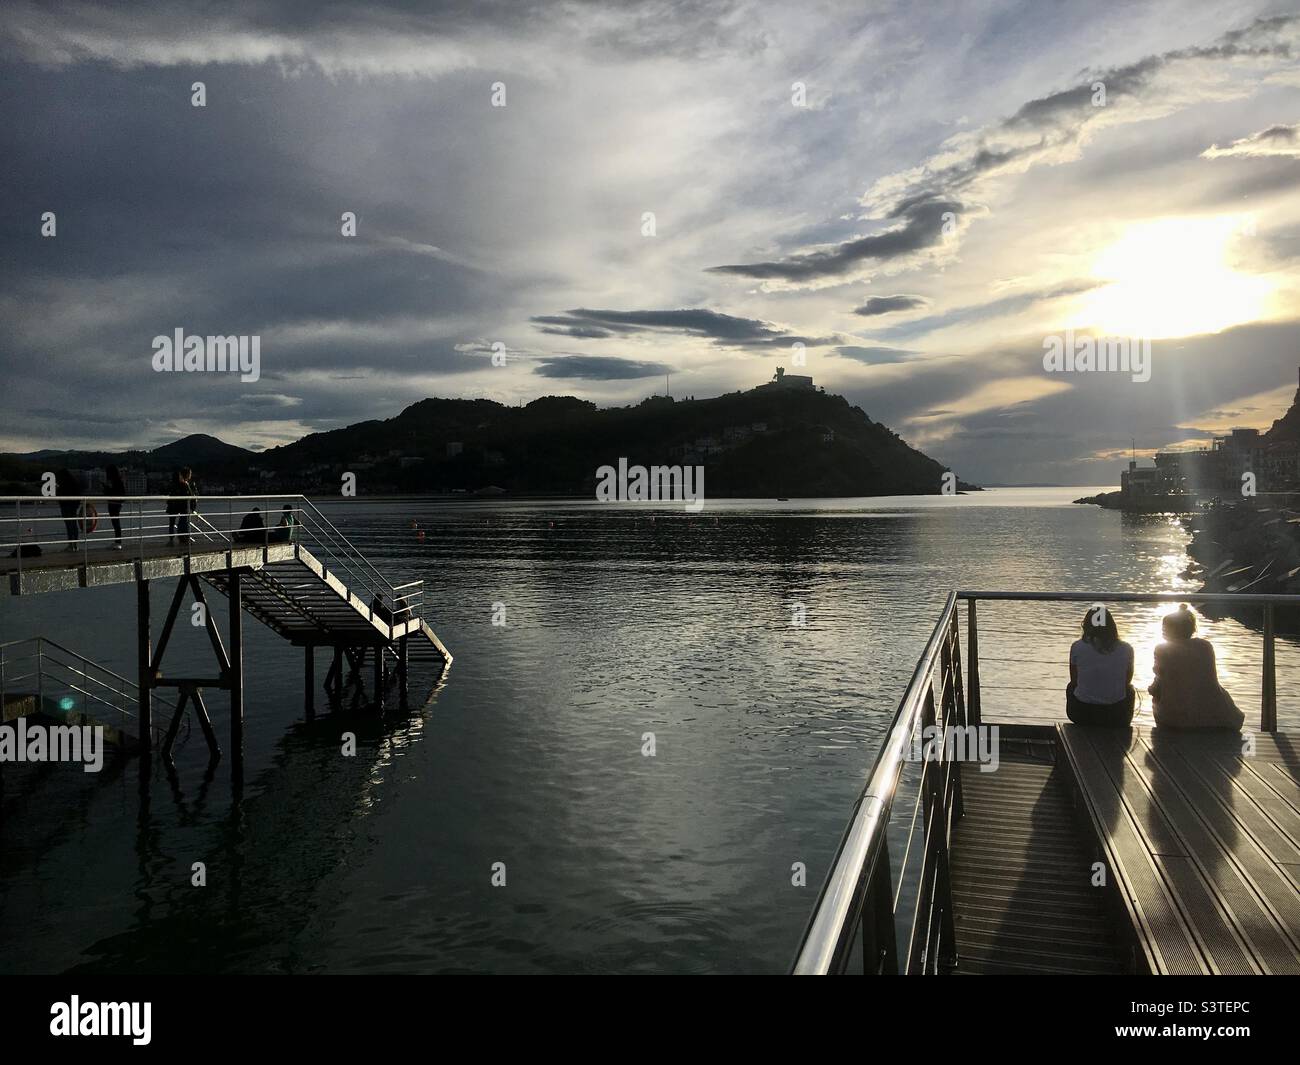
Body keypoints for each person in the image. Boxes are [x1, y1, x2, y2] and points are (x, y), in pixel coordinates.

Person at [1149, 604, 1244, 730]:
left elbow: (1159, 682)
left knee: (1157, 695)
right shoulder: (1205, 646)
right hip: (1216, 716)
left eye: (1164, 628)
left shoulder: (1162, 649)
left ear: (1168, 630)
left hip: (1176, 720)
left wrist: (1152, 689)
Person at [1066, 605, 1136, 726]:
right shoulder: (1126, 648)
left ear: (1086, 626)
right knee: (1129, 689)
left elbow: (1074, 680)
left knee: (1070, 687)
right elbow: (1127, 680)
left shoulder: (1077, 646)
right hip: (1116, 715)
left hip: (1082, 714)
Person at [165, 467, 197, 544]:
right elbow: (190, 495)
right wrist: (193, 507)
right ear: (187, 474)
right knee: (183, 522)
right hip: (181, 506)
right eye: (190, 474)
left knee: (173, 523)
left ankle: (172, 540)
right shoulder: (184, 484)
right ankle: (183, 538)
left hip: (173, 506)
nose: (190, 475)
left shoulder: (175, 483)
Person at [54, 468, 83, 549]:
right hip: (73, 506)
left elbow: (59, 495)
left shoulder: (63, 484)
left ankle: (71, 544)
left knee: (69, 525)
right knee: (73, 524)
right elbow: (79, 495)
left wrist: (57, 489)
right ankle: (75, 544)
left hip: (65, 506)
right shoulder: (74, 483)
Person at [105, 465, 126, 550]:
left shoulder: (116, 481)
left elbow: (116, 493)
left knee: (116, 523)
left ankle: (118, 542)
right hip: (115, 504)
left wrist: (107, 490)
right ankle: (117, 542)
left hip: (114, 504)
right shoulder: (117, 481)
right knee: (116, 523)